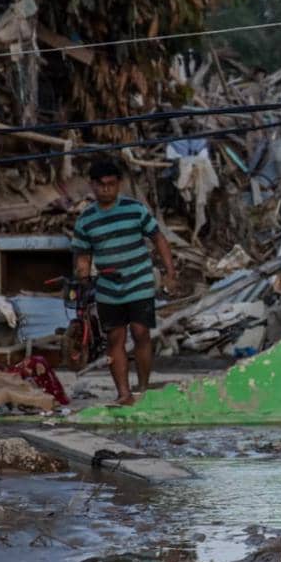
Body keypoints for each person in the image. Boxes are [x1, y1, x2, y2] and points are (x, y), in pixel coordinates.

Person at [71, 159, 176, 406]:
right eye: (101, 185)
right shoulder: (86, 220)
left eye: (111, 184)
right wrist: (83, 274)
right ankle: (123, 394)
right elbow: (83, 255)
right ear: (92, 186)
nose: (106, 189)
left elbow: (158, 238)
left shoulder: (134, 209)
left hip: (139, 281)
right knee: (115, 339)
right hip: (108, 287)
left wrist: (170, 272)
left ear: (119, 184)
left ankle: (142, 388)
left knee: (141, 333)